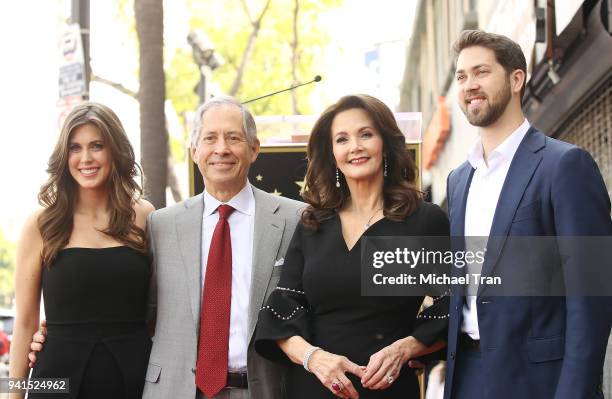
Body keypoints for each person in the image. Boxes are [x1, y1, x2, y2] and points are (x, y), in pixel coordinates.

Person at [444, 30, 612, 399]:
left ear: (516, 78)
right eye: (461, 76)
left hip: (540, 383)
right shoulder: (458, 181)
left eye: (481, 72)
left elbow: (593, 296)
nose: (469, 84)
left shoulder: (564, 165)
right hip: (467, 377)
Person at [254, 94, 450, 399]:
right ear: (332, 154)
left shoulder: (425, 221)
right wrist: (314, 359)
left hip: (388, 390)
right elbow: (280, 314)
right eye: (342, 139)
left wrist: (407, 347)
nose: (355, 147)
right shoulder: (313, 224)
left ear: (386, 143)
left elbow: (454, 305)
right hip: (313, 389)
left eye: (366, 134)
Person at [141, 96, 304, 399]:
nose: (221, 149)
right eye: (210, 139)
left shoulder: (295, 219)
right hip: (177, 391)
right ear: (194, 152)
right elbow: (140, 312)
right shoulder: (160, 225)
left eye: (233, 138)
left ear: (254, 149)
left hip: (264, 390)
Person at [9, 102, 155, 399]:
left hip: (134, 379)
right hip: (56, 382)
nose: (85, 158)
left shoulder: (144, 216)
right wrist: (14, 396)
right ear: (64, 156)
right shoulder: (40, 224)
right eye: (75, 148)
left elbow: (160, 311)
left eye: (97, 145)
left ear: (115, 149)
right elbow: (24, 324)